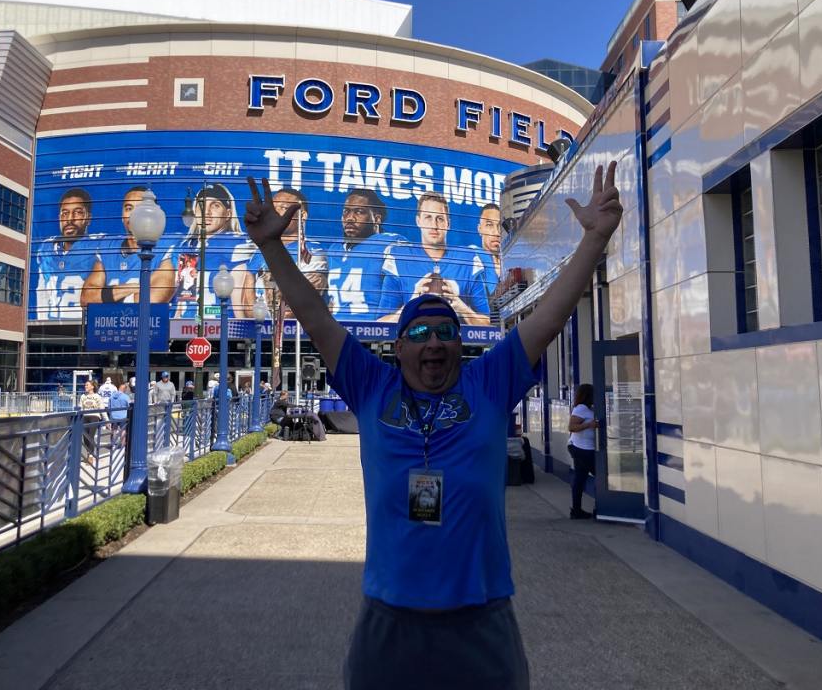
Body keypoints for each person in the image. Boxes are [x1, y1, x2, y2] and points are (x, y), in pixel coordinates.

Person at [243, 160, 621, 689]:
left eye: (444, 332)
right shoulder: (373, 387)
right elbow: (313, 313)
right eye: (418, 332)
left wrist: (594, 240)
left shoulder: (486, 386)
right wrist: (270, 247)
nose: (434, 342)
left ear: (459, 344)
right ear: (398, 348)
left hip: (481, 620)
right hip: (389, 622)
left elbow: (551, 317)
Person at [379, 191, 491, 326]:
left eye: (440, 218)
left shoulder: (468, 259)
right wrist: (412, 304)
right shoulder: (399, 258)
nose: (434, 225)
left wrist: (461, 307)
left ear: (448, 224)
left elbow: (487, 323)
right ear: (418, 221)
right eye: (428, 217)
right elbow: (382, 323)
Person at [81, 185, 177, 307]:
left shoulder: (166, 247)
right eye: (129, 208)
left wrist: (107, 297)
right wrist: (134, 288)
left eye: (140, 208)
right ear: (122, 215)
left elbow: (154, 299)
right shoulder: (107, 248)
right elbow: (86, 298)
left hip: (150, 325)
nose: (133, 215)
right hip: (111, 325)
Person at [174, 183, 255, 319]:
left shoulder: (235, 242)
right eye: (201, 205)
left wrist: (242, 330)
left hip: (221, 322)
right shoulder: (190, 246)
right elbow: (185, 295)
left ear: (228, 213)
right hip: (191, 321)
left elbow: (238, 300)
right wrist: (176, 323)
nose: (207, 212)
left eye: (215, 205)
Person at [244, 187, 328, 318]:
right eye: (273, 208)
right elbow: (247, 301)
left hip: (294, 332)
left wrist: (278, 324)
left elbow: (307, 299)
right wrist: (261, 322)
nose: (275, 213)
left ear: (303, 215)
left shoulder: (313, 251)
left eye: (283, 208)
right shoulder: (259, 251)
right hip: (261, 330)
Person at [326, 189, 404, 319]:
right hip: (337, 333)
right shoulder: (334, 249)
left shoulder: (391, 244)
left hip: (372, 332)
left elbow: (409, 293)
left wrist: (385, 327)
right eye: (346, 211)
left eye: (359, 212)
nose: (350, 218)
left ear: (377, 218)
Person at [35, 187, 103, 319]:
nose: (69, 219)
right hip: (52, 327)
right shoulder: (47, 249)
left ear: (88, 218)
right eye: (65, 213)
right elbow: (42, 293)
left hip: (86, 327)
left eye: (77, 213)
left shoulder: (99, 247)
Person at [567, 383, 598, 520]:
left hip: (582, 448)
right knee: (603, 477)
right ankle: (602, 509)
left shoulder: (588, 409)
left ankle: (576, 510)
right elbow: (572, 427)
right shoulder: (581, 409)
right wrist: (589, 425)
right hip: (582, 449)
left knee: (580, 478)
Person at [471, 203, 503, 313]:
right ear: (480, 229)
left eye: (499, 226)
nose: (496, 232)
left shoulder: (510, 262)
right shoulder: (473, 257)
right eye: (489, 225)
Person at [78, 379, 105, 465]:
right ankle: (89, 453)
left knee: (90, 436)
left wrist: (107, 421)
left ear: (92, 386)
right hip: (85, 417)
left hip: (94, 416)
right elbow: (80, 408)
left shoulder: (97, 396)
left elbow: (102, 409)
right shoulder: (83, 396)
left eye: (87, 385)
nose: (85, 386)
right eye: (85, 385)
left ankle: (90, 456)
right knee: (85, 437)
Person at [108, 382, 132, 448]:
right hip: (123, 416)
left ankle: (112, 444)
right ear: (124, 389)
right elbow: (129, 405)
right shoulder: (126, 397)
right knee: (123, 430)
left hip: (113, 415)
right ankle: (122, 445)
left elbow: (109, 406)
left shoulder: (112, 396)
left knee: (114, 430)